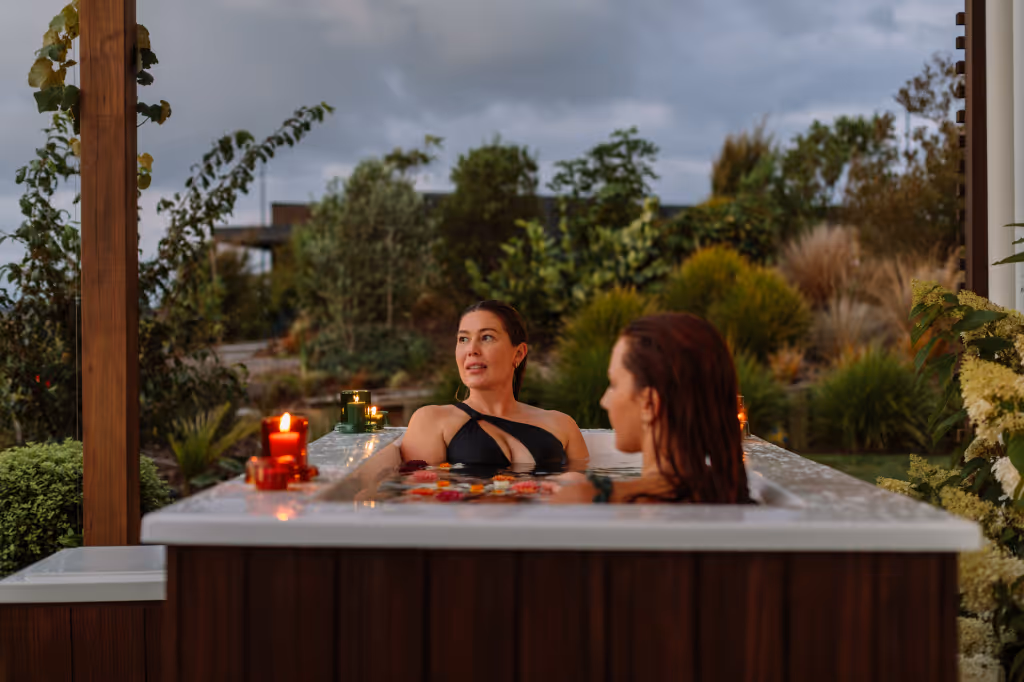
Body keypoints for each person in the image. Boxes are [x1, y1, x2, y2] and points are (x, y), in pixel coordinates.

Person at [551, 312, 752, 504]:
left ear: (649, 404)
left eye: (614, 384)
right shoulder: (734, 495)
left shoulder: (583, 498)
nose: (604, 401)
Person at [401, 300, 589, 468]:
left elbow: (583, 491)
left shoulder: (562, 426)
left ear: (518, 354)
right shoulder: (432, 421)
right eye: (463, 339)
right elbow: (421, 491)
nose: (471, 350)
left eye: (486, 337)